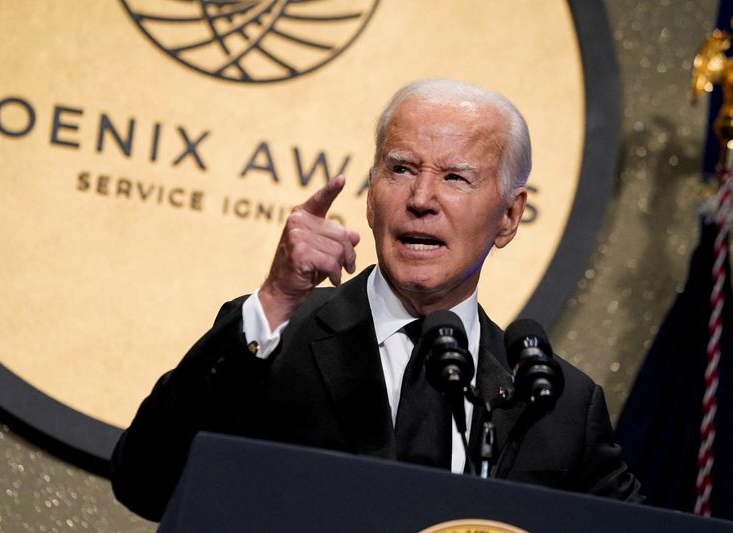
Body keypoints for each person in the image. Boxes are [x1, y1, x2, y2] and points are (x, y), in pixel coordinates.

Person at [111, 79, 642, 521]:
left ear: (508, 216)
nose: (420, 200)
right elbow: (145, 483)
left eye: (455, 177)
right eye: (401, 169)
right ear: (370, 196)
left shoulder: (559, 405)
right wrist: (275, 298)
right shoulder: (276, 336)